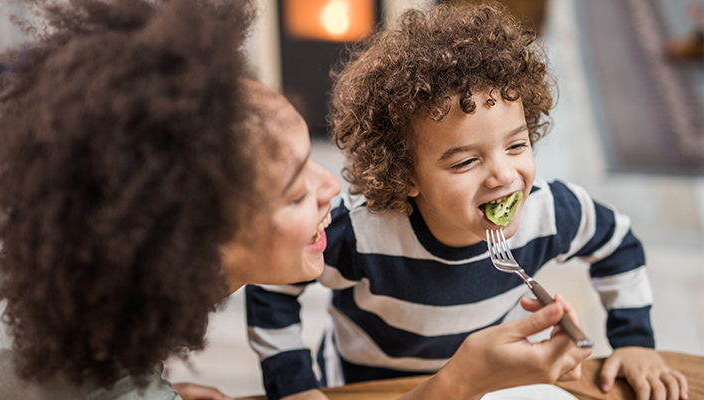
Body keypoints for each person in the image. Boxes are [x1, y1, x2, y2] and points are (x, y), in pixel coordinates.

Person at [0, 0, 590, 399]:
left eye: (315, 162)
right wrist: (461, 382)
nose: (333, 187)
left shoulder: (67, 236)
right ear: (192, 249)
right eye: (296, 188)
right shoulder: (72, 382)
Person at [245, 3, 689, 400]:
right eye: (465, 162)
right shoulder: (361, 234)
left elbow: (617, 243)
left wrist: (634, 342)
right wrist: (294, 385)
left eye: (516, 146)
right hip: (365, 387)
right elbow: (272, 286)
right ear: (406, 173)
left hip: (488, 385)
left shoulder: (548, 213)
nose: (502, 174)